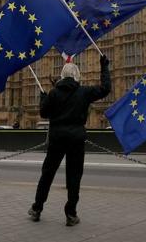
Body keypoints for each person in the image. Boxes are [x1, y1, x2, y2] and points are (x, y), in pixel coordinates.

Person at [28, 54, 111, 226]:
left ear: (62, 75)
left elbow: (44, 113)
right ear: (76, 76)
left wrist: (44, 98)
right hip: (76, 139)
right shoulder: (84, 92)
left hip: (57, 138)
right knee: (74, 176)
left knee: (47, 174)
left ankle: (37, 208)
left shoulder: (54, 93)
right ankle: (71, 214)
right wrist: (104, 66)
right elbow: (105, 88)